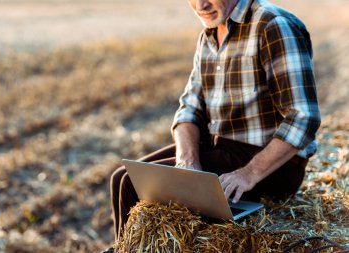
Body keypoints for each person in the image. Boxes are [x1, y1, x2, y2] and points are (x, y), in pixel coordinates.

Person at [103, 0, 320, 251]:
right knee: (121, 178)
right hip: (221, 145)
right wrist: (187, 160)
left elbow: (303, 117)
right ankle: (125, 248)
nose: (200, 5)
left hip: (269, 163)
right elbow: (189, 109)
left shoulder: (273, 25)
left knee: (132, 185)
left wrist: (247, 174)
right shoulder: (209, 33)